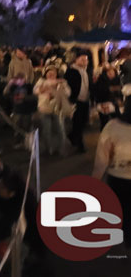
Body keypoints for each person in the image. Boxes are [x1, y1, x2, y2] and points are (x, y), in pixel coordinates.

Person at [92, 90, 131, 248]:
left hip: (119, 178)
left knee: (123, 209)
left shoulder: (112, 126)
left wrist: (95, 181)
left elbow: (102, 159)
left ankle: (126, 236)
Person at [33, 65, 71, 155]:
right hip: (44, 108)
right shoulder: (41, 82)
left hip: (57, 109)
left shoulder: (61, 82)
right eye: (48, 73)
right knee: (46, 130)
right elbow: (35, 91)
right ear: (45, 74)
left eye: (53, 73)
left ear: (56, 74)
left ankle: (61, 148)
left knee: (60, 129)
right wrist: (44, 88)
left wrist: (59, 87)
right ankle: (48, 149)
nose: (51, 75)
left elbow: (68, 93)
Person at [64, 52, 92, 152]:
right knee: (78, 122)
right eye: (82, 59)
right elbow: (66, 86)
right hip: (76, 100)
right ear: (75, 60)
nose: (85, 61)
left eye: (86, 59)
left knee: (83, 122)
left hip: (85, 99)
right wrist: (71, 99)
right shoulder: (71, 71)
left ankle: (71, 137)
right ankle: (80, 145)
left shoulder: (86, 71)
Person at [94, 65, 122, 130]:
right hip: (103, 103)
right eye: (109, 73)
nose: (111, 75)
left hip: (114, 103)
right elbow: (98, 91)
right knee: (104, 122)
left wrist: (119, 99)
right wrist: (110, 89)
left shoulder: (117, 80)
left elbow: (119, 92)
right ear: (106, 73)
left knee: (116, 120)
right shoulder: (101, 80)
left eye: (113, 73)